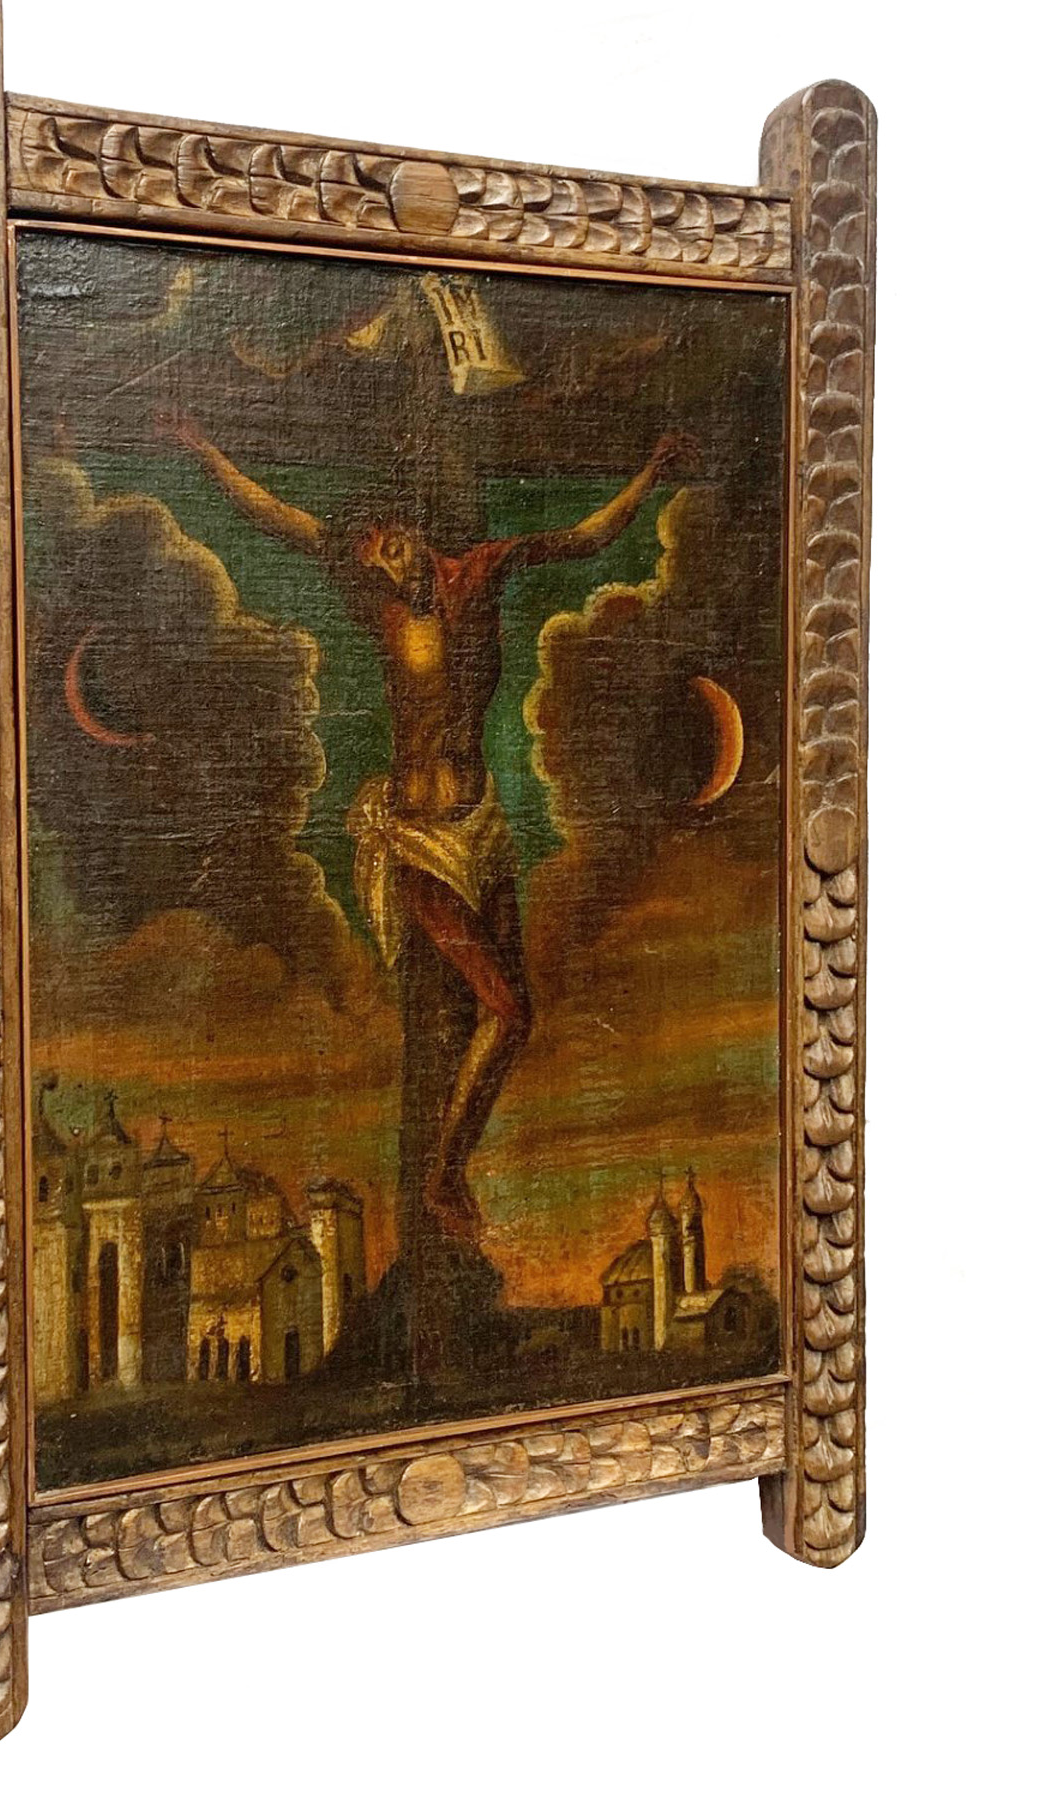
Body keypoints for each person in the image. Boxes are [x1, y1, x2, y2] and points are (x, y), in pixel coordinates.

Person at [155, 406, 698, 1241]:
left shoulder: (483, 571)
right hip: (416, 838)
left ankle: (450, 1170)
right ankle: (445, 1176)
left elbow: (586, 537)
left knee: (515, 1016)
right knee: (501, 1007)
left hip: (484, 826)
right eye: (371, 559)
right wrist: (204, 451)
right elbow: (278, 519)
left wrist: (651, 474)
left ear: (409, 533)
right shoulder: (381, 607)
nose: (381, 565)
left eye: (387, 548)